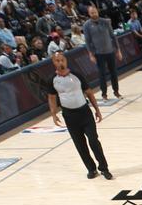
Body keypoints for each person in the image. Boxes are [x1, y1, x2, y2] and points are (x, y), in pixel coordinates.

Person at [47, 51, 112, 180]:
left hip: (84, 113)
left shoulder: (77, 75)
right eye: (57, 60)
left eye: (62, 60)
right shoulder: (52, 80)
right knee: (80, 144)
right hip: (69, 115)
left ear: (66, 61)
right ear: (54, 63)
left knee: (93, 141)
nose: (60, 62)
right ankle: (91, 169)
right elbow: (52, 98)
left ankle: (104, 168)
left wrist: (97, 110)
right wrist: (54, 114)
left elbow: (89, 92)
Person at [83, 5, 121, 101]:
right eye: (92, 13)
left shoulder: (105, 22)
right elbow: (87, 41)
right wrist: (91, 54)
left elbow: (113, 36)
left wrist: (118, 50)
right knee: (102, 74)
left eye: (95, 12)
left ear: (97, 12)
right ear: (89, 14)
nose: (94, 14)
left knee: (114, 73)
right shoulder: (87, 25)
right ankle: (104, 94)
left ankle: (116, 91)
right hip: (99, 54)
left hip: (110, 51)